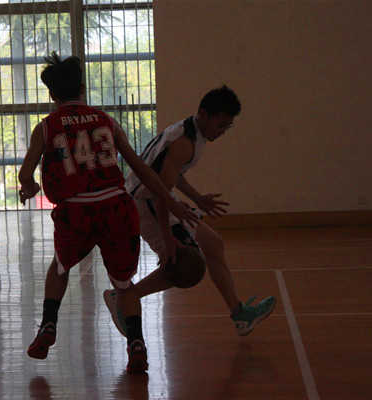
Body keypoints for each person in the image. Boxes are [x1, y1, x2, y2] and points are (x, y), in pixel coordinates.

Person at [18, 52, 199, 373]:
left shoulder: (45, 128)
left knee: (60, 268)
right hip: (116, 206)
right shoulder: (105, 121)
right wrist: (171, 202)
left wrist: (29, 187)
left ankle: (48, 324)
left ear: (52, 94)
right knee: (123, 284)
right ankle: (136, 344)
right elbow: (140, 168)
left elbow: (25, 174)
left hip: (75, 210)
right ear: (83, 88)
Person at [103, 85, 277, 337]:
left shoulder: (191, 130)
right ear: (203, 115)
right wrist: (168, 238)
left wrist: (197, 198)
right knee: (183, 265)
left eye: (228, 127)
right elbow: (161, 193)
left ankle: (240, 315)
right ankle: (123, 298)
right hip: (146, 201)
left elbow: (172, 174)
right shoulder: (184, 142)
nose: (222, 131)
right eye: (220, 125)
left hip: (158, 196)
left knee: (213, 244)